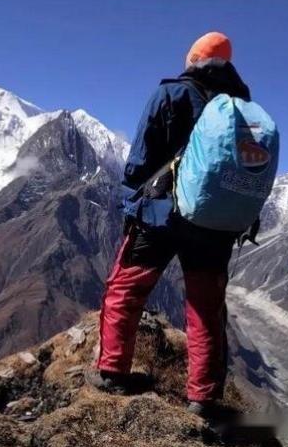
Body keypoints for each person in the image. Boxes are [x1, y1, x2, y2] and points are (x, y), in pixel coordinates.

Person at [86, 32, 251, 416]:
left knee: (125, 290)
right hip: (214, 224)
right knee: (206, 310)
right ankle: (203, 399)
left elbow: (138, 163)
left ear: (193, 60)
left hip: (161, 214)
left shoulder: (171, 95)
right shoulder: (241, 110)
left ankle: (112, 371)